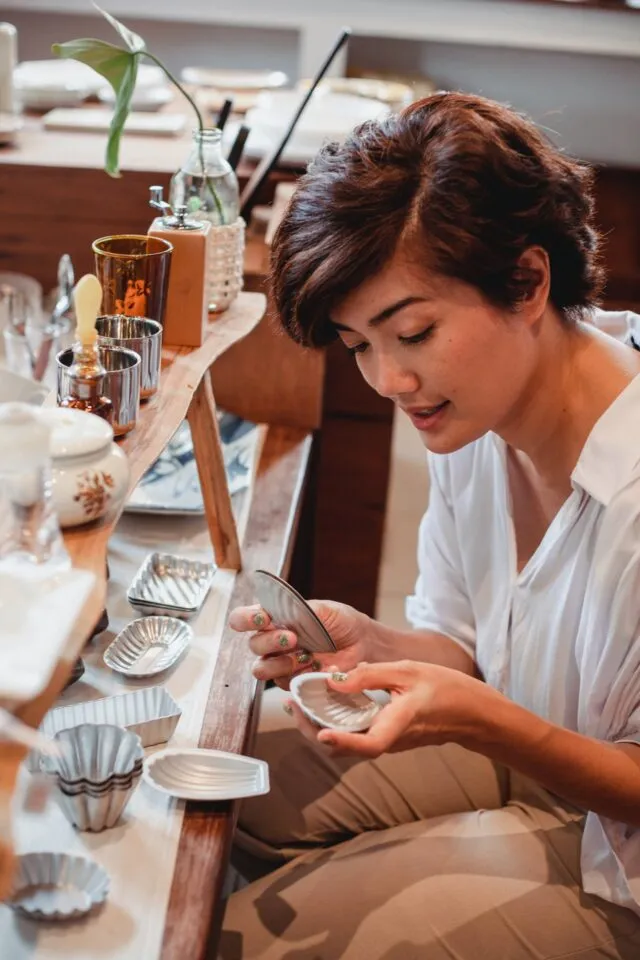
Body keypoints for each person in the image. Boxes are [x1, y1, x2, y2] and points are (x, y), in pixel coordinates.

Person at [218, 93, 640, 959]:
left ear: (528, 281)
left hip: (624, 861)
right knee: (219, 777)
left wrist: (483, 722)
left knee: (246, 940)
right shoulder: (473, 417)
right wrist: (376, 646)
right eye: (358, 345)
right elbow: (471, 649)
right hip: (531, 755)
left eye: (412, 332)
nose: (389, 381)